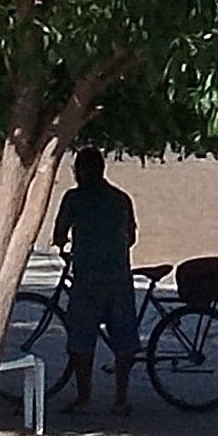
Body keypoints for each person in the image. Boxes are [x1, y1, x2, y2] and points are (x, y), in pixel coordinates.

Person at [50, 145, 140, 415]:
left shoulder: (74, 198)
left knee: (80, 339)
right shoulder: (121, 198)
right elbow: (132, 236)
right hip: (119, 276)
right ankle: (121, 399)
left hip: (87, 277)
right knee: (124, 339)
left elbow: (59, 233)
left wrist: (65, 244)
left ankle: (83, 398)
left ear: (81, 171)